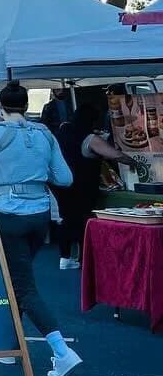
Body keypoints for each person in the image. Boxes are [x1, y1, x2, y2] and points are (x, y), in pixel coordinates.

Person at [0, 81, 82, 376]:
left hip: (7, 214)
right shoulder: (44, 133)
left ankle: (61, 350)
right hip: (40, 213)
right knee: (17, 279)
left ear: (1, 106)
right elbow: (65, 178)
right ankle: (7, 344)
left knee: (23, 285)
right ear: (27, 103)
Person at [55, 102, 140, 270]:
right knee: (83, 221)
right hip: (83, 186)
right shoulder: (90, 138)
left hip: (61, 184)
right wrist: (136, 162)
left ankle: (65, 257)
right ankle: (83, 259)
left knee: (65, 220)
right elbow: (115, 155)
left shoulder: (61, 133)